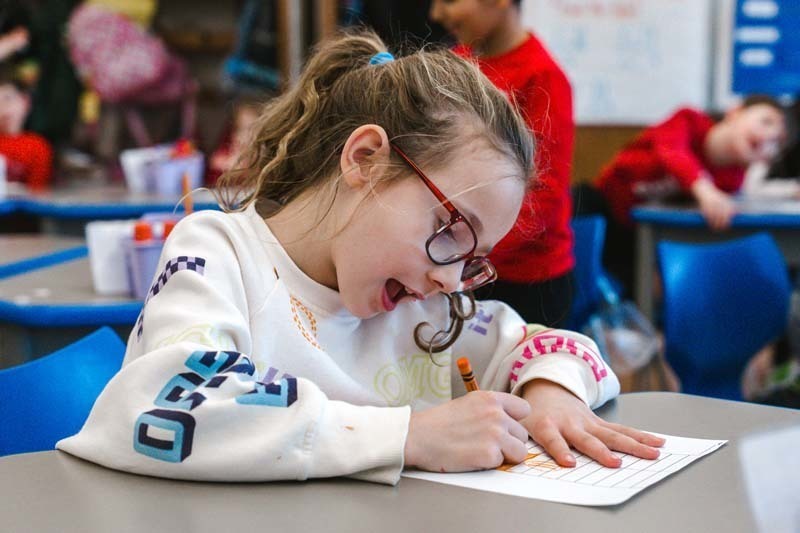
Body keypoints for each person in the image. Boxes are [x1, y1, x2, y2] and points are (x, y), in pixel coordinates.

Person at [57, 30, 662, 484]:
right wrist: (408, 435)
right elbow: (166, 406)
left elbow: (552, 344)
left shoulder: (423, 312)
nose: (451, 281)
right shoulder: (218, 254)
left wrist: (551, 391)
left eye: (471, 260)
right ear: (366, 159)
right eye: (450, 231)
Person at [429, 0, 577, 328]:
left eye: (449, 1)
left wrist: (462, 249)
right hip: (461, 266)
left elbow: (543, 196)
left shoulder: (544, 78)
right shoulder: (455, 66)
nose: (436, 14)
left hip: (529, 283)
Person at [595, 96, 789, 291]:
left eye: (777, 142)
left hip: (638, 236)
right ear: (735, 112)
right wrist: (705, 190)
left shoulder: (732, 181)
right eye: (766, 121)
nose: (768, 137)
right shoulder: (689, 120)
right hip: (602, 206)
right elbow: (671, 151)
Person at [0, 68, 53, 188]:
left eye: (8, 99)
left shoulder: (37, 146)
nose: (2, 108)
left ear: (25, 102)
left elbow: (37, 191)